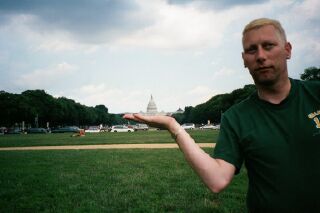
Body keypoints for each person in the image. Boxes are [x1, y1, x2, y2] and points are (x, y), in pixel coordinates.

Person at [123, 18, 320, 212]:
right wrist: (173, 126)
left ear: (287, 50)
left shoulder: (316, 94)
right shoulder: (236, 117)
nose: (260, 56)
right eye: (252, 49)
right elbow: (217, 180)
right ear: (244, 59)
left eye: (268, 46)